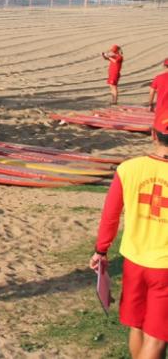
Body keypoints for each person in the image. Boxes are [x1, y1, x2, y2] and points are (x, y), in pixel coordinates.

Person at [90, 122, 168, 357]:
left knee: (137, 325)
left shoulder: (129, 168)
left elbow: (110, 215)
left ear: (154, 135)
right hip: (164, 267)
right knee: (157, 338)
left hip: (133, 261)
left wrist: (101, 250)